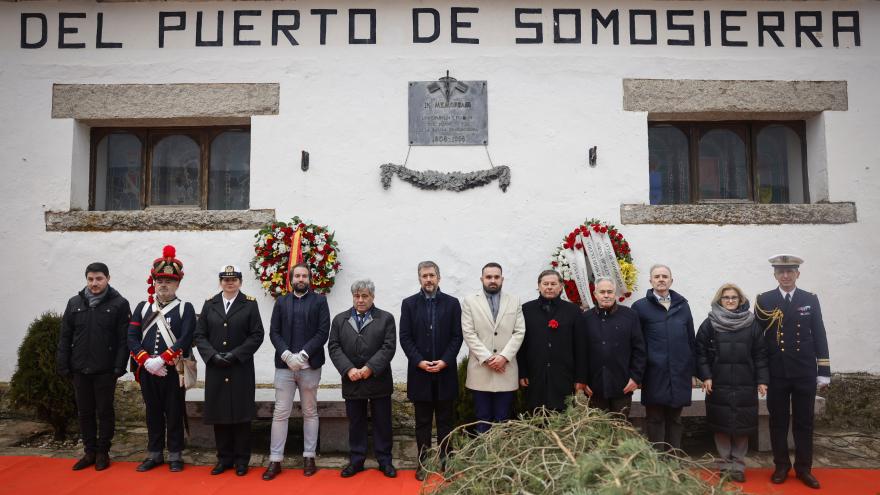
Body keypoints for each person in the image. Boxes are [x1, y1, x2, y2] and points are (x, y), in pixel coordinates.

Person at [756, 254, 830, 489]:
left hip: (804, 371)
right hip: (776, 372)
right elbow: (758, 341)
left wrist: (824, 370)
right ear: (775, 275)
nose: (785, 276)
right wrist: (761, 375)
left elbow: (819, 334)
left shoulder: (810, 299)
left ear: (798, 274)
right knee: (777, 421)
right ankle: (781, 466)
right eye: (781, 272)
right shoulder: (764, 300)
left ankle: (804, 468)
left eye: (790, 271)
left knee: (804, 422)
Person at [57, 262, 131, 471]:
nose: (94, 283)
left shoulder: (119, 304)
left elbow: (123, 339)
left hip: (105, 370)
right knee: (85, 412)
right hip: (79, 369)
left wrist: (119, 367)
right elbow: (65, 336)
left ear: (108, 278)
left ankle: (102, 452)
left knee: (105, 411)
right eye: (90, 279)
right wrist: (63, 364)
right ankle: (89, 451)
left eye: (99, 279)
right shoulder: (74, 303)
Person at [127, 245, 196, 472]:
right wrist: (147, 360)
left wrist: (163, 359)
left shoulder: (185, 308)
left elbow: (185, 338)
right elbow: (132, 336)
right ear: (154, 282)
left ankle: (175, 454)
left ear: (177, 284)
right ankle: (154, 453)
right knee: (152, 412)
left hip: (173, 371)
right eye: (160, 281)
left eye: (169, 281)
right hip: (148, 370)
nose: (163, 285)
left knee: (174, 413)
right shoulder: (142, 307)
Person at [195, 265, 265, 477]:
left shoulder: (250, 305)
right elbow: (200, 335)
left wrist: (235, 355)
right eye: (225, 279)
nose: (229, 282)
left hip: (240, 367)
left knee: (242, 416)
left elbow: (257, 335)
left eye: (234, 279)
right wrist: (212, 355)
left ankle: (242, 460)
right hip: (216, 367)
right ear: (220, 282)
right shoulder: (210, 304)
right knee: (220, 414)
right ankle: (224, 459)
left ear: (240, 282)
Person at [263, 263, 330, 481]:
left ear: (310, 279)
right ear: (291, 279)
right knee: (281, 413)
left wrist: (302, 355)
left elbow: (322, 332)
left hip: (309, 366)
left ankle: (309, 456)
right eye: (297, 276)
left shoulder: (319, 301)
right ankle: (275, 459)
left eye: (305, 276)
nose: (301, 279)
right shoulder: (281, 301)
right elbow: (274, 332)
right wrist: (286, 355)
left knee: (310, 411)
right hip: (284, 367)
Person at [695, 283, 768, 483]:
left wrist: (762, 380)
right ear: (720, 300)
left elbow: (760, 354)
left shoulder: (752, 324)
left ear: (740, 300)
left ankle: (738, 466)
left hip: (746, 383)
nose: (729, 300)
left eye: (733, 297)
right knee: (722, 426)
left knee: (742, 426)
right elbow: (700, 352)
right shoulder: (709, 324)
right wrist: (706, 376)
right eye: (726, 297)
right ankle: (725, 465)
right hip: (718, 384)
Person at [399, 261, 463, 481]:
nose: (428, 279)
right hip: (420, 374)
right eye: (424, 275)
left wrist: (445, 361)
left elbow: (457, 336)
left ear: (439, 277)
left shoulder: (452, 304)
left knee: (446, 422)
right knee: (423, 423)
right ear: (419, 278)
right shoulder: (408, 304)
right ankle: (423, 463)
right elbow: (405, 337)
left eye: (432, 275)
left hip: (445, 373)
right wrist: (419, 361)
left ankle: (447, 461)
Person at [328, 279, 398, 478]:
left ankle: (385, 461)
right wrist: (348, 369)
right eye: (356, 296)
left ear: (372, 297)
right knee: (356, 422)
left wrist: (370, 368)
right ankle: (357, 460)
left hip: (378, 379)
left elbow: (388, 347)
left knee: (382, 422)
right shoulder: (340, 320)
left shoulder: (386, 318)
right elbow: (334, 347)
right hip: (352, 380)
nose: (360, 300)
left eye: (365, 296)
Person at [632, 264, 696, 452]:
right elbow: (637, 343)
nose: (661, 279)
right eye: (657, 276)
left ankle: (673, 458)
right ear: (650, 280)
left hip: (679, 372)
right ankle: (657, 463)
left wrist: (692, 372)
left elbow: (690, 339)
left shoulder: (683, 305)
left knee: (675, 419)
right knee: (655, 419)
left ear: (671, 280)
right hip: (653, 373)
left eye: (665, 276)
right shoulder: (640, 307)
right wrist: (638, 374)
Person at [460, 263, 525, 433]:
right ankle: (484, 458)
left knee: (503, 419)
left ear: (502, 279)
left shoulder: (514, 300)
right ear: (482, 279)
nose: (493, 280)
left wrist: (504, 357)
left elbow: (519, 332)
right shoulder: (470, 301)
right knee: (483, 418)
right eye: (489, 277)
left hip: (506, 368)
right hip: (481, 370)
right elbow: (468, 333)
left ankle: (499, 458)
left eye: (496, 277)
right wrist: (489, 358)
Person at [517, 270, 588, 412]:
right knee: (536, 416)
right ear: (539, 286)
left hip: (564, 376)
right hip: (534, 375)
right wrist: (522, 372)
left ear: (561, 286)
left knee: (562, 417)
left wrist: (580, 378)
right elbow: (521, 344)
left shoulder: (573, 311)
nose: (549, 287)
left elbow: (581, 346)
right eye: (545, 283)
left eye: (553, 284)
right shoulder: (525, 309)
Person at [582, 277, 646, 419]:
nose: (606, 295)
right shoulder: (585, 319)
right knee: (598, 432)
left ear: (615, 294)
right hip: (594, 388)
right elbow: (581, 353)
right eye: (602, 292)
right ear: (595, 294)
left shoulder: (630, 316)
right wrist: (583, 380)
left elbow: (639, 350)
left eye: (610, 292)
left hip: (622, 386)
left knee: (620, 430)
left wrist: (635, 378)